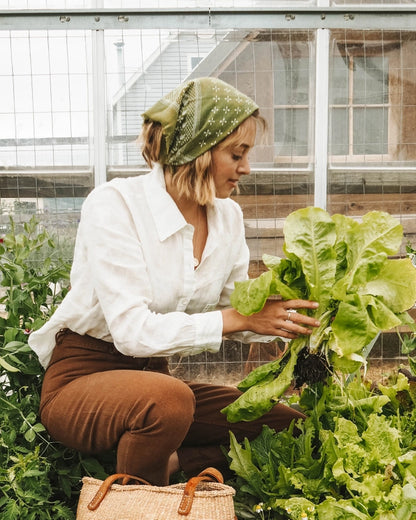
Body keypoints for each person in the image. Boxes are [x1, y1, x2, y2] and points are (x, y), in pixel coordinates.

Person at [28, 77, 320, 486]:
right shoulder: (116, 206)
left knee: (287, 422)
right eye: (237, 154)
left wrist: (292, 317)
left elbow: (243, 311)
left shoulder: (227, 217)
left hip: (155, 383)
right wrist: (238, 319)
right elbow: (132, 333)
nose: (247, 168)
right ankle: (133, 505)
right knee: (169, 400)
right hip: (82, 379)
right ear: (198, 151)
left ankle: (173, 463)